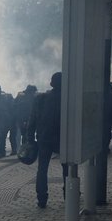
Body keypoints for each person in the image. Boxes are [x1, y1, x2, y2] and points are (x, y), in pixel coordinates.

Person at [26, 72, 68, 208]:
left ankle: (42, 198)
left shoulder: (41, 98)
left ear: (51, 83)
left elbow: (32, 120)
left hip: (44, 138)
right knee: (67, 167)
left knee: (42, 169)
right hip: (64, 138)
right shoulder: (69, 98)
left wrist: (30, 139)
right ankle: (69, 195)